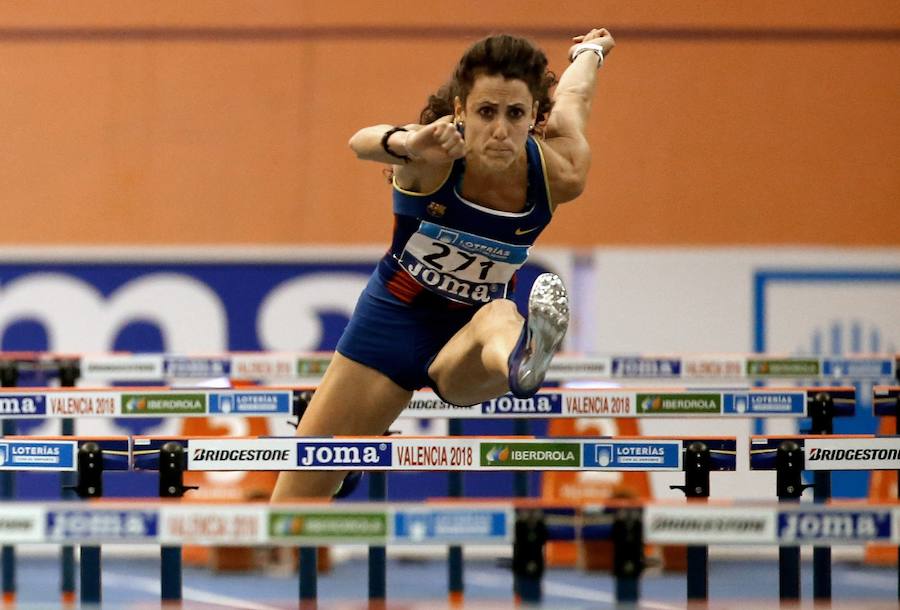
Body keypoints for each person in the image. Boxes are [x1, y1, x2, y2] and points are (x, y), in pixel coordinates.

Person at [272, 28, 614, 499]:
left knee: (499, 315)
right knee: (291, 504)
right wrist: (408, 144)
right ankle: (349, 461)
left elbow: (575, 94)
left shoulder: (561, 172)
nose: (499, 130)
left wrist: (590, 51)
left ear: (535, 115)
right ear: (460, 112)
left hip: (470, 342)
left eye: (516, 114)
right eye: (485, 112)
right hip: (389, 328)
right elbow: (360, 141)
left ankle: (522, 359)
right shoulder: (434, 156)